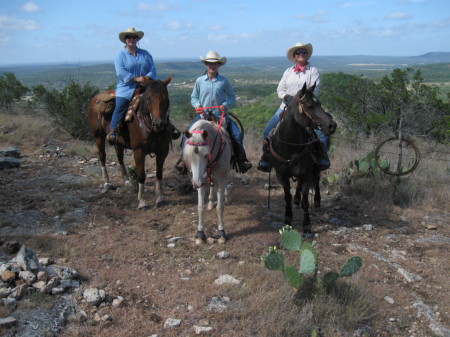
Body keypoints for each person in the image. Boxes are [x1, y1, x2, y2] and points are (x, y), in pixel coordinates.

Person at [256, 42, 330, 172]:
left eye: (303, 52)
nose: (301, 54)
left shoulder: (313, 71)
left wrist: (300, 102)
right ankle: (266, 158)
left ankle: (322, 157)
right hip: (286, 107)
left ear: (307, 55)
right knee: (268, 131)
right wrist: (287, 98)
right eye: (298, 52)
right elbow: (280, 89)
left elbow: (314, 90)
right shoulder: (288, 72)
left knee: (320, 132)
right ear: (294, 56)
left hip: (307, 108)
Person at [177, 51, 252, 174]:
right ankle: (183, 161)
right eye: (209, 64)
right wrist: (198, 106)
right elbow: (194, 97)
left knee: (237, 135)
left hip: (219, 115)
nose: (212, 66)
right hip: (202, 116)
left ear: (218, 65)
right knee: (187, 136)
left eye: (215, 64)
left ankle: (241, 160)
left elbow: (232, 97)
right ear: (206, 65)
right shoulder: (200, 81)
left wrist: (225, 105)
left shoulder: (224, 81)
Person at [107, 27, 179, 145]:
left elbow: (152, 69)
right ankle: (113, 131)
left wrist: (147, 79)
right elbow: (120, 72)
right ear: (125, 40)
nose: (131, 39)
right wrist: (136, 78)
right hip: (126, 88)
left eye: (134, 37)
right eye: (129, 37)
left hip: (146, 86)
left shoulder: (145, 54)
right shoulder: (120, 56)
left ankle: (168, 126)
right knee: (120, 105)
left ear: (137, 39)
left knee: (159, 102)